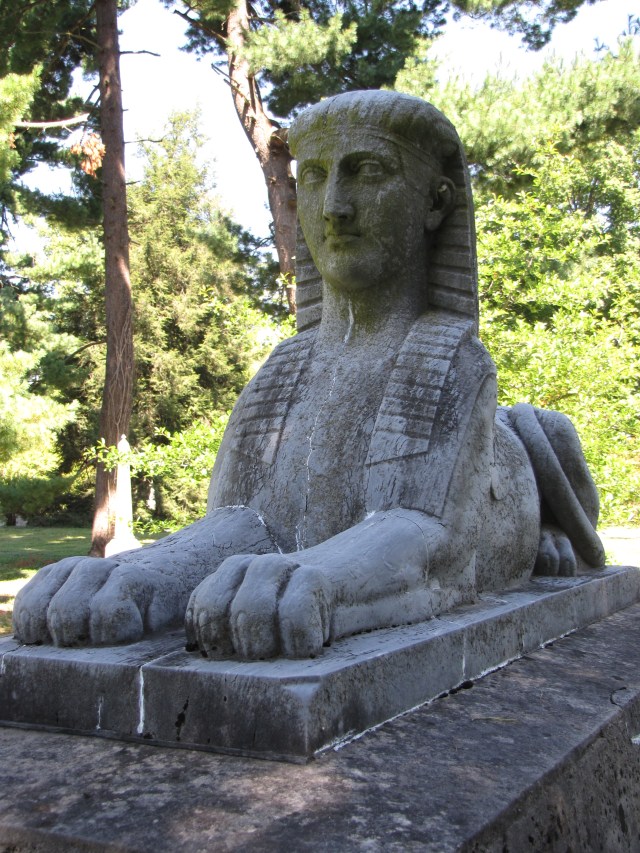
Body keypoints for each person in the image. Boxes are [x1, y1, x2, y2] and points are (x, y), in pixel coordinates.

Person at [13, 91, 604, 660]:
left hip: (463, 505)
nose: (334, 208)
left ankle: (556, 527)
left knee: (543, 429)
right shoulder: (284, 366)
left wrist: (320, 579)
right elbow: (243, 524)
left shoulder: (453, 359)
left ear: (435, 203)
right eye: (316, 177)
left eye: (368, 172)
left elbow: (425, 540)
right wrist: (138, 574)